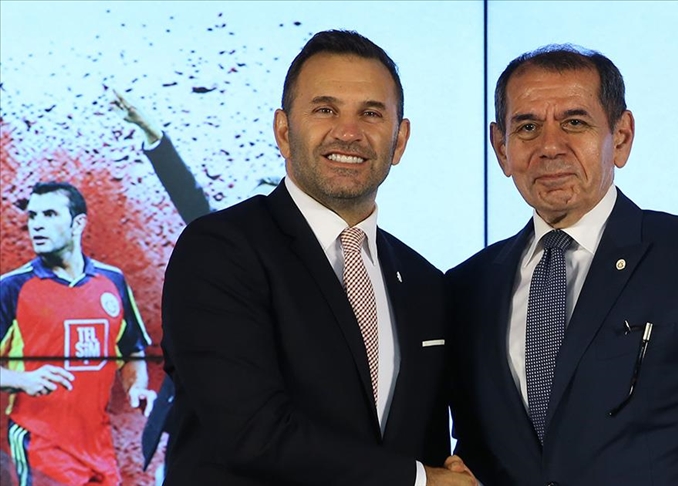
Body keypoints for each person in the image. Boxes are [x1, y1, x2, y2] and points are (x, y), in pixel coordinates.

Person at [447, 45, 678, 485]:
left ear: (620, 137)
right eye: (528, 127)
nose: (549, 147)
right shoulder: (467, 287)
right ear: (501, 148)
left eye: (574, 123)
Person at [160, 30, 475, 485]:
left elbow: (426, 444)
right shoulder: (219, 250)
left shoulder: (425, 282)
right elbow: (251, 433)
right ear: (284, 131)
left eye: (371, 113)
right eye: (325, 109)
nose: (348, 132)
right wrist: (420, 480)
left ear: (400, 140)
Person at [112, 89, 280, 471]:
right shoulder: (224, 258)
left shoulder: (309, 286)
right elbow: (191, 200)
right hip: (192, 439)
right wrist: (155, 136)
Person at [0, 181, 156, 485]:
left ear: (78, 223)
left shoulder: (112, 282)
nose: (37, 225)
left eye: (49, 214)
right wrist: (23, 380)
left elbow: (131, 351)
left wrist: (136, 388)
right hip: (40, 445)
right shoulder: (12, 288)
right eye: (32, 216)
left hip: (98, 447)